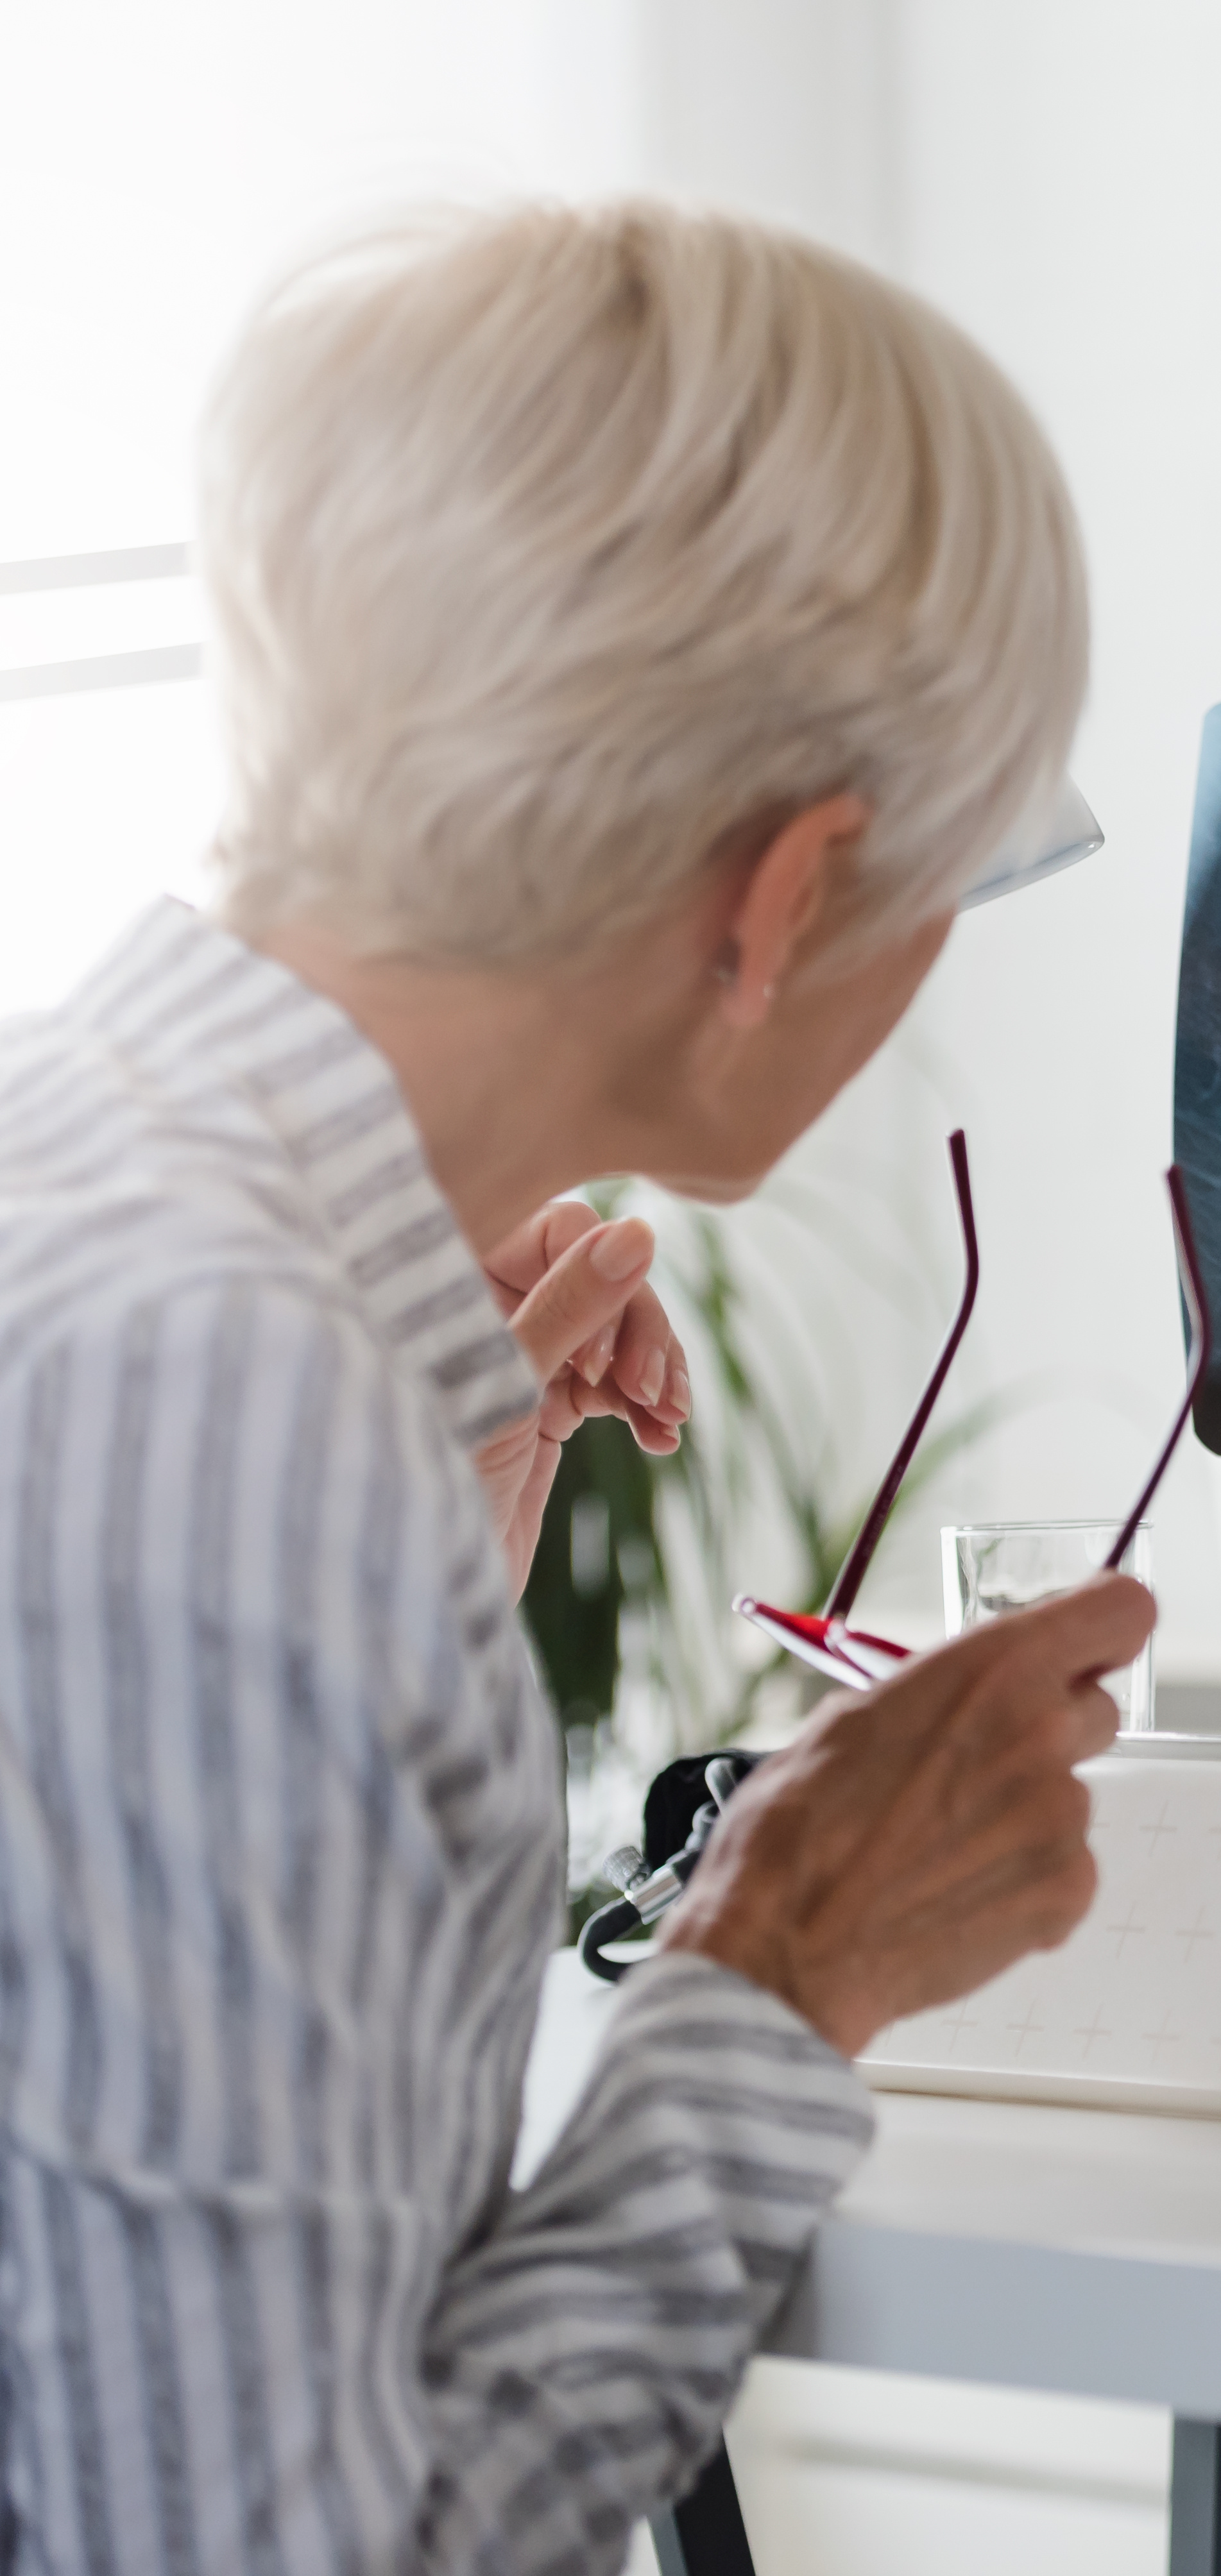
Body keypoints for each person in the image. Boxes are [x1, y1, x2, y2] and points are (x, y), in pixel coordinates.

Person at [0, 204, 1147, 2570]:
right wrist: (781, 1967)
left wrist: (398, 1501)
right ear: (785, 896)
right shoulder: (230, 1411)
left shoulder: (98, 1206)